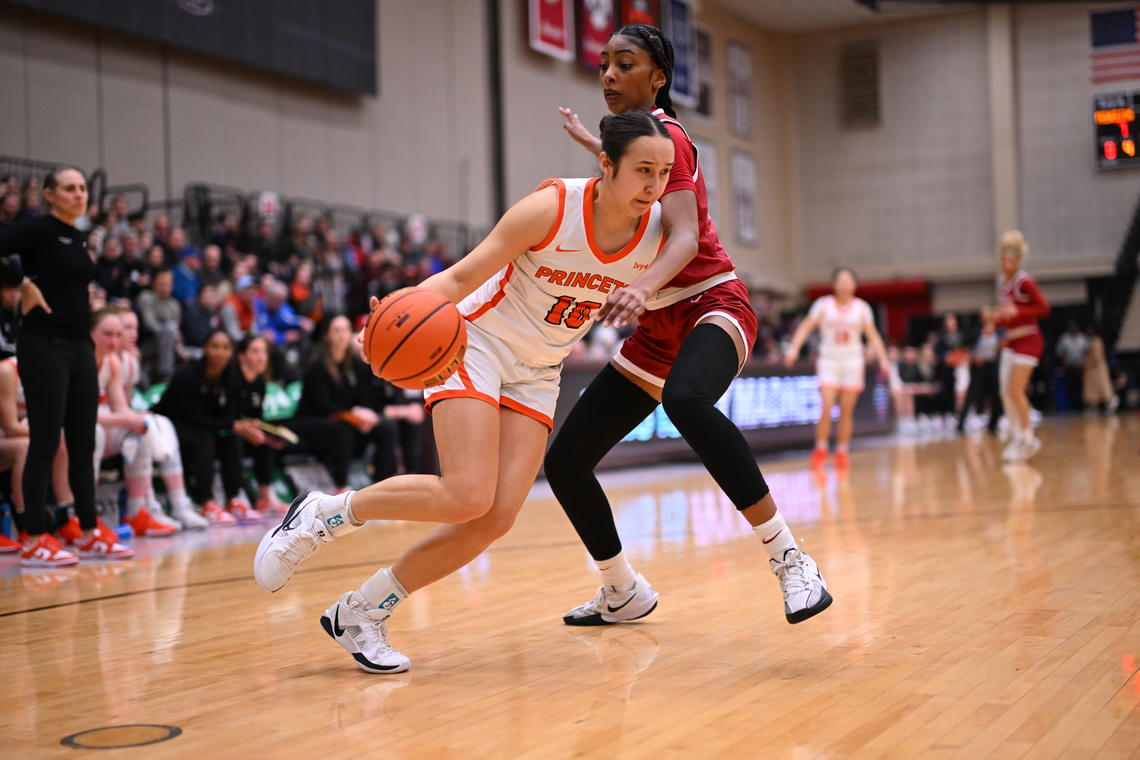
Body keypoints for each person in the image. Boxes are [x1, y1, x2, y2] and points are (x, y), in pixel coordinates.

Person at [254, 110, 673, 672]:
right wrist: (394, 318)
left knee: (496, 516)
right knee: (467, 492)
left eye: (664, 173)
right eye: (643, 170)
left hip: (540, 367)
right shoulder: (551, 208)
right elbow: (458, 278)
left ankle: (360, 612)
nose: (655, 185)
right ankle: (326, 513)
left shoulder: (659, 236)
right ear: (606, 164)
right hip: (475, 341)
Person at [538, 24, 834, 628]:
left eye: (625, 63)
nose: (609, 75)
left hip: (711, 302)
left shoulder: (670, 136)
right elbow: (632, 177)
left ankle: (790, 558)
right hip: (657, 327)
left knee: (686, 399)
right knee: (567, 460)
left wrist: (642, 287)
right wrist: (594, 146)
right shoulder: (634, 147)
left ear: (659, 78)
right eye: (604, 64)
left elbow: (684, 236)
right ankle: (621, 589)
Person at [0, 167, 130, 566]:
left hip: (78, 345)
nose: (79, 194)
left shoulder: (78, 236)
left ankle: (89, 531)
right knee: (44, 440)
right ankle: (35, 536)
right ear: (49, 194)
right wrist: (20, 283)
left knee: (82, 441)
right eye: (69, 189)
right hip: (43, 344)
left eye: (82, 189)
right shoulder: (36, 229)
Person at [784, 267, 890, 468]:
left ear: (854, 285)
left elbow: (873, 336)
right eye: (840, 280)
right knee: (826, 406)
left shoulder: (862, 308)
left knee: (846, 411)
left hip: (852, 362)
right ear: (834, 284)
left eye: (848, 280)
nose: (844, 284)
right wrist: (794, 348)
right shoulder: (822, 305)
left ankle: (842, 450)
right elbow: (806, 326)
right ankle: (821, 448)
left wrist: (884, 359)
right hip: (829, 362)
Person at [286, 315, 399, 493]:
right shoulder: (316, 366)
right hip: (312, 422)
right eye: (336, 330)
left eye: (345, 330)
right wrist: (354, 417)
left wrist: (364, 415)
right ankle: (341, 486)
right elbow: (323, 406)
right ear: (326, 336)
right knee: (341, 429)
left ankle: (384, 484)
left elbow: (364, 399)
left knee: (386, 427)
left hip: (345, 421)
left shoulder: (356, 364)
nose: (342, 335)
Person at [149, 330, 244, 526]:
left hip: (202, 426)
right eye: (215, 347)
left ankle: (232, 499)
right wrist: (231, 424)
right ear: (204, 349)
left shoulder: (233, 376)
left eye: (226, 348)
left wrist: (235, 426)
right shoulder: (186, 374)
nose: (220, 353)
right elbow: (192, 416)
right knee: (204, 439)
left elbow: (228, 416)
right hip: (170, 426)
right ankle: (206, 502)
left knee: (231, 438)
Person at [993, 230, 1050, 462]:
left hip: (1029, 339)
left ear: (1018, 261)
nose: (1007, 264)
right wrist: (994, 319)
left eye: (1011, 261)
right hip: (1011, 340)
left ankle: (1028, 437)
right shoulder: (1001, 283)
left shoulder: (1024, 281)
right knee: (1005, 391)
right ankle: (1017, 435)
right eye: (1004, 260)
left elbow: (1044, 309)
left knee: (1017, 389)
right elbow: (1008, 315)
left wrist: (1020, 310)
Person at [233, 334, 288, 514]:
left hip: (244, 431)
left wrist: (268, 433)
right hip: (226, 430)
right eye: (255, 351)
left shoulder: (259, 383)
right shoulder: (232, 378)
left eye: (264, 352)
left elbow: (255, 417)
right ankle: (234, 496)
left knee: (266, 441)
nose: (261, 357)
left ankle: (265, 497)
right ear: (242, 356)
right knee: (234, 441)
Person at [956, 307, 1002, 435]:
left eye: (989, 314)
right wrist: (973, 356)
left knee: (997, 396)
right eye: (985, 314)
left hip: (992, 365)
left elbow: (1004, 344)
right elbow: (964, 346)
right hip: (978, 366)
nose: (987, 316)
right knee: (972, 395)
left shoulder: (999, 330)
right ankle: (960, 424)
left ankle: (993, 424)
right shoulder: (975, 330)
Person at [1082, 325, 1118, 414]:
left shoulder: (1096, 341)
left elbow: (1097, 357)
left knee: (1103, 387)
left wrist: (1087, 363)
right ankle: (1093, 406)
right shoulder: (1092, 341)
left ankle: (1112, 401)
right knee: (1093, 389)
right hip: (1093, 370)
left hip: (1098, 368)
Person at [1055, 320, 1089, 412]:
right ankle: (1072, 407)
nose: (1073, 331)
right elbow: (1059, 352)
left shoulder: (1082, 338)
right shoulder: (1064, 338)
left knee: (1080, 387)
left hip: (1080, 367)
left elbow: (1087, 351)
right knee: (1070, 388)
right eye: (1071, 329)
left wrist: (1085, 362)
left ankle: (1081, 407)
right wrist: (1064, 362)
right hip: (1069, 367)